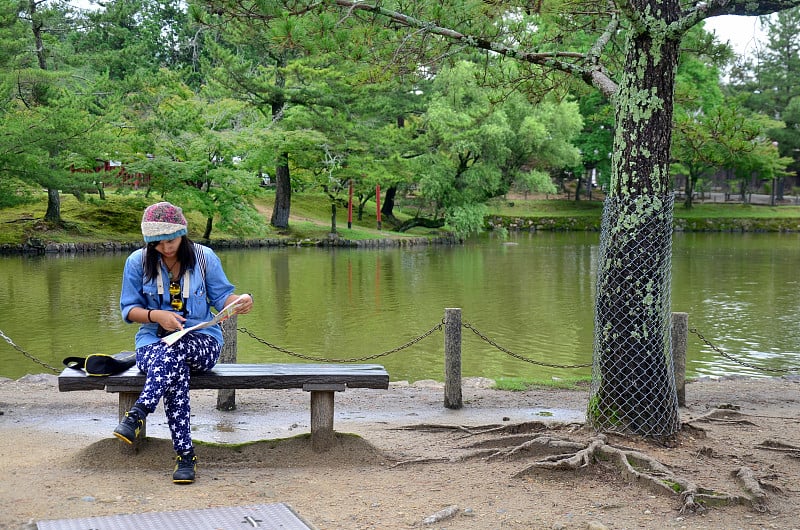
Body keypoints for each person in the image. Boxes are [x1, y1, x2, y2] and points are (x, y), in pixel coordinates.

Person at [115, 201, 253, 484]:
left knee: (174, 353)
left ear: (183, 233)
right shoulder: (136, 262)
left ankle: (139, 413)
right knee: (172, 364)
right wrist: (157, 316)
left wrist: (239, 302)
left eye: (172, 240)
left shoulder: (204, 258)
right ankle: (185, 457)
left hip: (202, 343)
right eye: (158, 243)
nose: (166, 248)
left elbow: (221, 299)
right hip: (153, 342)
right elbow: (129, 310)